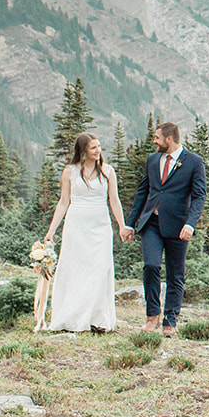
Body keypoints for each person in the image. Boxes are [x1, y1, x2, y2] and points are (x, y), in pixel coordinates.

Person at [123, 121, 206, 335]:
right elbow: (142, 192)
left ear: (169, 139)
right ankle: (152, 317)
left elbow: (199, 197)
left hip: (178, 226)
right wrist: (130, 224)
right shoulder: (152, 160)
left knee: (175, 274)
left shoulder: (194, 162)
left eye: (157, 137)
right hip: (151, 222)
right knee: (151, 266)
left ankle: (170, 320)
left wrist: (190, 223)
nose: (154, 141)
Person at [41, 133, 125, 333]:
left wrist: (122, 226)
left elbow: (114, 201)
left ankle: (97, 318)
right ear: (83, 151)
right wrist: (52, 230)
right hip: (76, 224)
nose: (98, 151)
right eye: (93, 148)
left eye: (99, 147)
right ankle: (72, 316)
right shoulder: (70, 172)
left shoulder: (108, 171)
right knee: (75, 268)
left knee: (99, 268)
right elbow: (63, 202)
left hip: (101, 225)